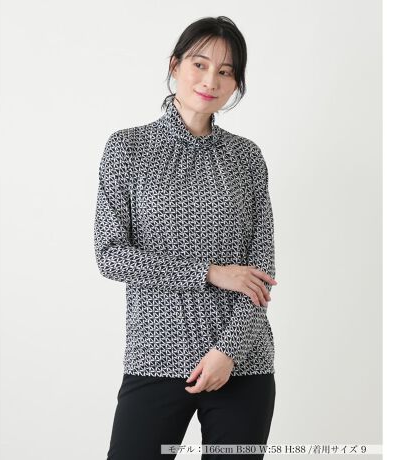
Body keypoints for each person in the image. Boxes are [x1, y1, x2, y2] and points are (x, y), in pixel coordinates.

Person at [94, 16, 278, 460]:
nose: (211, 80)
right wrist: (210, 273)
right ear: (175, 65)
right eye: (200, 64)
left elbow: (261, 273)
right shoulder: (127, 149)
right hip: (155, 357)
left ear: (236, 84)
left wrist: (227, 353)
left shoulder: (247, 158)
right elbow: (111, 256)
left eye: (226, 71)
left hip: (243, 362)